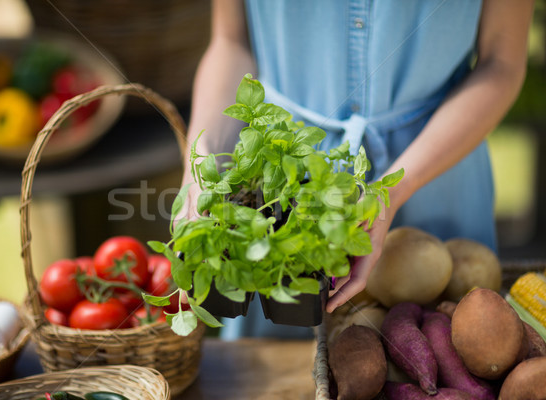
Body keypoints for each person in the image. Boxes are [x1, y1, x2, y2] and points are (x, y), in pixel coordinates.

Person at [179, 0, 535, 339]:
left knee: (449, 339)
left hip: (439, 161)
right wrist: (202, 165)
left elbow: (501, 61)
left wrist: (389, 193)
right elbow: (230, 42)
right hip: (279, 160)